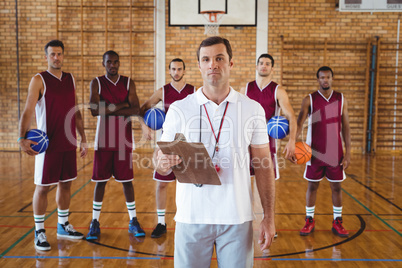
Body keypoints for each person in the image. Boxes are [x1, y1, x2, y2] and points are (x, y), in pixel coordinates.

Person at [155, 36, 276, 267]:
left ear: (231, 63)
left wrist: (268, 218)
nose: (213, 64)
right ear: (199, 65)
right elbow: (159, 158)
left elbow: (264, 164)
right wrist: (162, 163)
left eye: (220, 58)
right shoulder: (180, 108)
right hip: (191, 218)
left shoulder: (252, 108)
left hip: (237, 218)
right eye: (206, 59)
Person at [18, 40, 88, 251]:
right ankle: (39, 231)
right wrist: (21, 138)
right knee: (43, 187)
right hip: (47, 146)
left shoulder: (70, 79)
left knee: (66, 184)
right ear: (46, 56)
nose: (56, 58)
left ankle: (63, 224)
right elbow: (28, 110)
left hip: (68, 143)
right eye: (52, 54)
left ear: (63, 56)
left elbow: (76, 111)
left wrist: (83, 137)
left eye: (59, 54)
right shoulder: (39, 80)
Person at [85, 50, 144, 240]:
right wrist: (121, 105)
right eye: (109, 62)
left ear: (119, 64)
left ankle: (133, 221)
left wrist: (109, 107)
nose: (113, 65)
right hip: (103, 141)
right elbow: (94, 110)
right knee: (100, 182)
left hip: (123, 141)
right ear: (103, 63)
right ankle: (94, 222)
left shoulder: (128, 82)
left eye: (116, 62)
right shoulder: (97, 82)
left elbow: (135, 109)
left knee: (127, 182)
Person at [240, 53, 297, 238]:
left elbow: (291, 116)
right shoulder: (245, 89)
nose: (264, 66)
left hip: (267, 146)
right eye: (261, 63)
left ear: (272, 68)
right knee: (243, 185)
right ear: (256, 66)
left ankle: (268, 222)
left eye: (267, 64)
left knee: (266, 186)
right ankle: (244, 223)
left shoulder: (278, 91)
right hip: (246, 145)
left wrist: (292, 141)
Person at [140, 58, 195, 238]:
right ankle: (161, 223)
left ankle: (189, 221)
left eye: (179, 69)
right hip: (168, 144)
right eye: (173, 69)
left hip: (188, 144)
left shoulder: (193, 91)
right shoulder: (163, 91)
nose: (176, 72)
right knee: (162, 184)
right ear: (169, 71)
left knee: (190, 186)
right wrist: (145, 126)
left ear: (184, 71)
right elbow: (143, 108)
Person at [296, 66, 351, 237]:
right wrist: (292, 143)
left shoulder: (341, 98)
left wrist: (348, 152)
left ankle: (337, 221)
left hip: (335, 154)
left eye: (328, 77)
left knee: (336, 187)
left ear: (332, 78)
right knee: (312, 186)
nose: (325, 80)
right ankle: (309, 220)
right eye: (322, 77)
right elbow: (299, 124)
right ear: (317, 79)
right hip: (315, 153)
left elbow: (346, 127)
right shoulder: (309, 99)